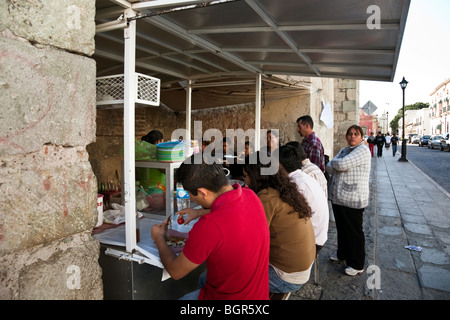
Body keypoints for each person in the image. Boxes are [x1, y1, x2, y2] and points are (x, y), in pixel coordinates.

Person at [151, 156, 270, 300]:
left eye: (190, 194)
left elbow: (175, 271)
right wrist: (198, 212)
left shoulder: (209, 225)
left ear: (202, 192)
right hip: (258, 294)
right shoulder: (250, 195)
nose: (191, 199)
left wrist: (158, 238)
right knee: (203, 278)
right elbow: (229, 212)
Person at [243, 152, 316, 293]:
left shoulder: (266, 197)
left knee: (212, 277)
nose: (245, 182)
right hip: (301, 270)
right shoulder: (285, 189)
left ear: (256, 176)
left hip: (285, 278)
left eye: (246, 176)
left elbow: (251, 240)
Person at [326, 125, 371, 276]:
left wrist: (338, 164)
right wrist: (337, 165)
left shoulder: (362, 150)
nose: (352, 136)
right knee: (342, 229)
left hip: (353, 198)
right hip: (339, 198)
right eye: (350, 134)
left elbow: (340, 164)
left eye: (356, 134)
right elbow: (329, 167)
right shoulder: (345, 150)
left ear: (361, 137)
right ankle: (342, 254)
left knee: (354, 232)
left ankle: (357, 263)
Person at [279, 145, 329, 252]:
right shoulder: (302, 177)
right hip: (319, 236)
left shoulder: (296, 184)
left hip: (313, 241)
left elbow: (288, 218)